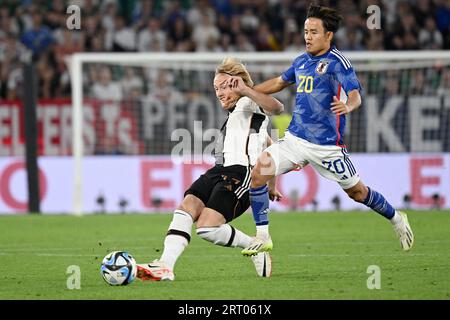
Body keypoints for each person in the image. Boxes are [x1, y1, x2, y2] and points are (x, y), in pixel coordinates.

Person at [241, 4, 414, 257]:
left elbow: (355, 94)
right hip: (295, 141)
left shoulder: (338, 62)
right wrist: (248, 91)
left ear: (328, 35)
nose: (307, 37)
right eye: (305, 31)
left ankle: (397, 217)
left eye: (313, 32)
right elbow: (279, 82)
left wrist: (347, 105)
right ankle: (263, 237)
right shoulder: (300, 61)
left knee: (358, 193)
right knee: (259, 172)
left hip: (327, 148)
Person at [136, 57, 284, 281]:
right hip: (218, 171)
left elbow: (277, 107)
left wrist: (246, 90)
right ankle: (165, 265)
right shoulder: (237, 114)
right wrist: (271, 185)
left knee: (207, 228)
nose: (219, 92)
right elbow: (268, 146)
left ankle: (256, 245)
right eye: (216, 88)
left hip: (242, 174)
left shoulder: (249, 100)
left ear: (237, 83)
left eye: (224, 86)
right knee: (186, 207)